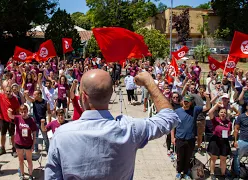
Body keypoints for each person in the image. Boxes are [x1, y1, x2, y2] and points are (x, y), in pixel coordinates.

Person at [45, 70, 180, 179]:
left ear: (83, 97)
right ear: (110, 95)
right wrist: (149, 82)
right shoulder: (129, 129)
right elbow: (170, 117)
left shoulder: (61, 135)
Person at [171, 94, 211, 180]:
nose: (185, 103)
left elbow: (207, 107)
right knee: (179, 158)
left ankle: (186, 172)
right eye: (184, 101)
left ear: (190, 102)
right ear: (182, 102)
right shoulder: (177, 111)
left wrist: (207, 98)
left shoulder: (195, 109)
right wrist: (172, 137)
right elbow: (173, 125)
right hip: (180, 138)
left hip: (191, 139)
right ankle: (178, 172)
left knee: (188, 157)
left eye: (187, 102)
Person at [7, 105, 37, 180]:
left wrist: (33, 145)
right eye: (22, 112)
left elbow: (34, 133)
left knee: (29, 160)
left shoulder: (31, 120)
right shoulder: (17, 118)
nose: (23, 113)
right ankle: (22, 175)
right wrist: (9, 111)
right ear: (20, 112)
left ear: (27, 111)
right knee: (20, 160)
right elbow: (10, 116)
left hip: (28, 143)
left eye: (25, 112)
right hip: (19, 143)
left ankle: (30, 175)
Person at [207, 102, 232, 180]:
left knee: (223, 159)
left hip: (224, 141)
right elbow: (210, 112)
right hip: (215, 140)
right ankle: (212, 173)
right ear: (218, 113)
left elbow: (229, 132)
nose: (223, 114)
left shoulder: (229, 123)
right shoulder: (216, 120)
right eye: (221, 112)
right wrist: (216, 105)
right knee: (213, 158)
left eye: (224, 112)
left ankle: (223, 174)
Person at [0, 86, 20, 157]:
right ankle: (2, 148)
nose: (8, 93)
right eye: (7, 91)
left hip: (11, 120)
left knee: (12, 135)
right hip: (2, 119)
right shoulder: (1, 96)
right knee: (3, 134)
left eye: (9, 91)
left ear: (11, 91)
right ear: (4, 91)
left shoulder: (15, 99)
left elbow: (17, 111)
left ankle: (14, 149)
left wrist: (18, 120)